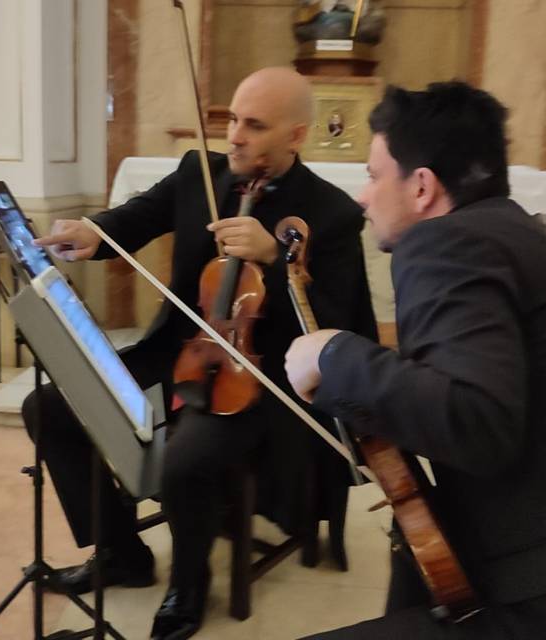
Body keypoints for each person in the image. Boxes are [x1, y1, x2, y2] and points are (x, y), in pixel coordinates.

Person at [25, 67, 378, 640]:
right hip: (181, 349)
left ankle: (187, 587)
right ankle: (123, 554)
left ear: (295, 135)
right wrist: (92, 231)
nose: (235, 135)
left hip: (267, 378)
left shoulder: (330, 214)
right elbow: (133, 219)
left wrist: (281, 264)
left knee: (185, 459)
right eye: (233, 119)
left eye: (254, 125)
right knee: (49, 409)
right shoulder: (201, 174)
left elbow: (341, 327)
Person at [285, 81, 546, 638]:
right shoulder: (527, 239)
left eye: (372, 175)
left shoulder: (448, 244)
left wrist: (334, 354)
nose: (362, 197)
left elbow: (476, 421)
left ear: (422, 188)